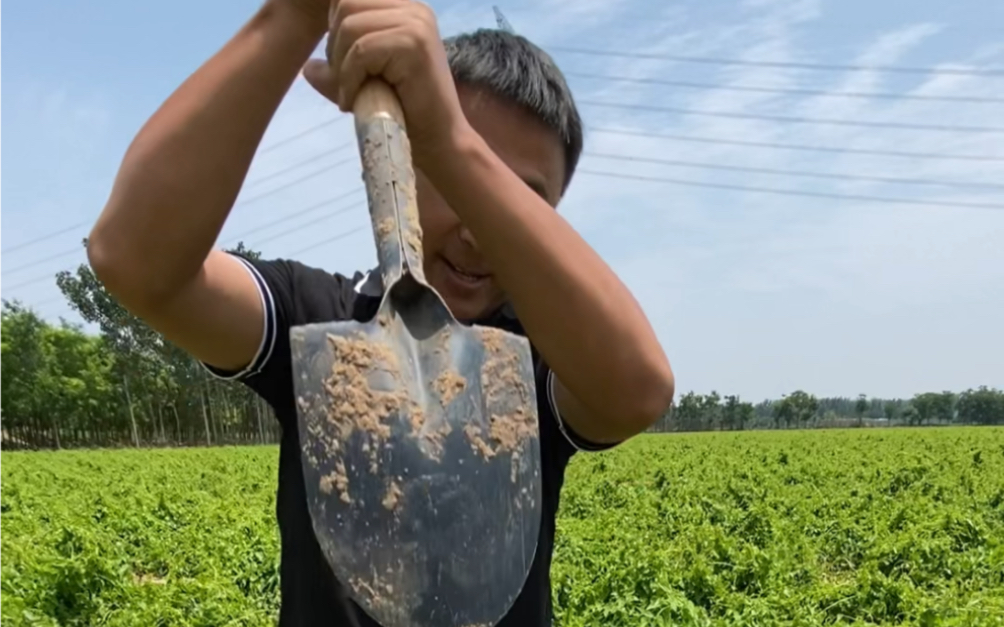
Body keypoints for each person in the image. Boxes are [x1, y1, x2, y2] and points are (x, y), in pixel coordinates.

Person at [86, 0, 675, 624]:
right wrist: (295, 14)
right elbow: (135, 259)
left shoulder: (536, 360)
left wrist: (448, 141)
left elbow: (636, 389)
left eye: (514, 195)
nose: (477, 231)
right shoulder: (318, 320)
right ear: (404, 165)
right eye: (447, 179)